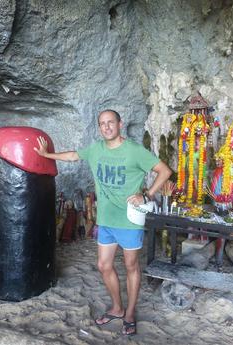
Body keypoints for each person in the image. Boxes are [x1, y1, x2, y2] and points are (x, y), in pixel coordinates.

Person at [34, 109, 171, 336]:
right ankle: (117, 308)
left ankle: (129, 313)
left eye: (110, 122)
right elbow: (72, 156)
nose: (106, 127)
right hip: (106, 219)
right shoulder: (96, 149)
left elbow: (164, 171)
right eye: (102, 124)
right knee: (103, 265)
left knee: (131, 266)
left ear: (120, 124)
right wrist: (47, 155)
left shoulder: (134, 151)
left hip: (129, 220)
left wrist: (146, 196)